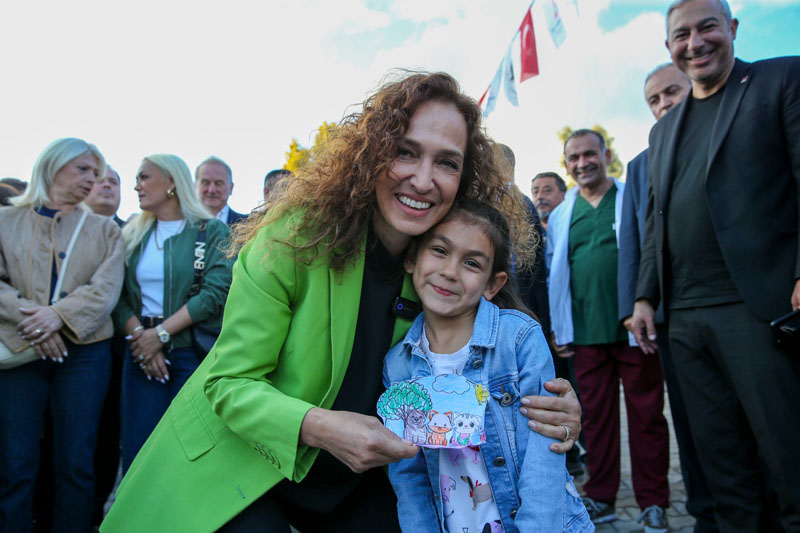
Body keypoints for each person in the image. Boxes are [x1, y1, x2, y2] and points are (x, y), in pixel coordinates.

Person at [101, 71, 582, 533]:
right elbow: (229, 384)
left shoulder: (443, 269)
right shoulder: (292, 241)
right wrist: (320, 427)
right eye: (405, 152)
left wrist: (556, 412)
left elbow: (504, 363)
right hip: (242, 464)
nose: (422, 179)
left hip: (361, 481)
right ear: (371, 154)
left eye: (447, 163)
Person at [632, 1, 800, 530]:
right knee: (724, 470)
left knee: (789, 458)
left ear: (733, 28)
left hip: (762, 308)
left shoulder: (781, 78)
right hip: (685, 322)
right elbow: (656, 221)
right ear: (669, 47)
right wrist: (644, 296)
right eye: (682, 34)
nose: (696, 42)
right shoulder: (663, 132)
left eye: (708, 27)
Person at [384, 199, 592, 532]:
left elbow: (544, 455)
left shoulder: (519, 340)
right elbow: (409, 477)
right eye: (439, 251)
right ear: (412, 258)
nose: (450, 271)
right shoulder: (398, 366)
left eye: (471, 263)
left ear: (493, 285)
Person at [0, 137, 124, 532]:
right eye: (83, 169)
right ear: (53, 166)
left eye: (96, 172)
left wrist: (58, 317)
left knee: (76, 462)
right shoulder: (5, 220)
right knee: (15, 462)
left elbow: (105, 290)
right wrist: (37, 323)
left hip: (85, 356)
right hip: (19, 351)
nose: (92, 179)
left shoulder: (106, 230)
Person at [547, 129, 670, 530]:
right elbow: (555, 271)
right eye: (574, 157)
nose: (582, 163)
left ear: (606, 155)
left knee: (647, 416)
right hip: (585, 334)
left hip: (634, 330)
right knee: (596, 420)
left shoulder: (629, 195)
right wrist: (559, 328)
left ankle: (653, 501)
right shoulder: (564, 213)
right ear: (567, 164)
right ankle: (601, 496)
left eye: (589, 154)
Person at [618, 63, 717, 533]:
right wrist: (638, 302)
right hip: (673, 314)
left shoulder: (727, 130)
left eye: (671, 92)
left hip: (744, 303)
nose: (664, 104)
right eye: (654, 100)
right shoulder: (641, 165)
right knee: (692, 420)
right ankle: (706, 512)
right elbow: (635, 240)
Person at [114, 154, 232, 471]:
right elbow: (118, 297)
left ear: (170, 182)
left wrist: (161, 334)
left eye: (144, 177)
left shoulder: (212, 231)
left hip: (191, 354)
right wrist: (143, 338)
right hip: (140, 354)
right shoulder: (131, 234)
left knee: (188, 452)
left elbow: (216, 293)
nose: (136, 186)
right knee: (138, 453)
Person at [194, 155, 247, 225]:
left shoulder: (248, 225)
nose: (211, 190)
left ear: (231, 188)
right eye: (206, 183)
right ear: (195, 186)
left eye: (218, 183)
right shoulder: (182, 225)